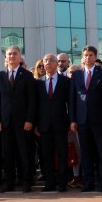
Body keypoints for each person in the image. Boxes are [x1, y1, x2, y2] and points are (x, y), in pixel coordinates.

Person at [0, 46, 38, 193]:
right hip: (6, 122)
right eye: (9, 54)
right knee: (7, 154)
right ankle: (9, 183)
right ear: (5, 58)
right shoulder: (0, 76)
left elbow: (32, 100)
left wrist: (29, 120)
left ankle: (26, 182)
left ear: (20, 57)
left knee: (24, 153)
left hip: (22, 122)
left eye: (15, 54)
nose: (12, 56)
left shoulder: (26, 75)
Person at [70, 45, 102, 192]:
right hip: (82, 120)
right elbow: (72, 98)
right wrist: (73, 120)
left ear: (95, 57)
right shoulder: (76, 75)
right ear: (82, 57)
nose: (88, 58)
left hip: (99, 119)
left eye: (91, 55)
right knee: (85, 152)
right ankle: (88, 182)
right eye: (85, 55)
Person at [35, 53, 72, 192]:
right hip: (44, 125)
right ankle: (50, 182)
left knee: (63, 154)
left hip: (61, 123)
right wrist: (36, 124)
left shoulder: (66, 81)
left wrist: (71, 121)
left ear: (57, 64)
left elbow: (70, 103)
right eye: (45, 61)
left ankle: (62, 182)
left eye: (51, 61)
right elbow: (35, 105)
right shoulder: (38, 82)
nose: (48, 63)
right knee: (47, 155)